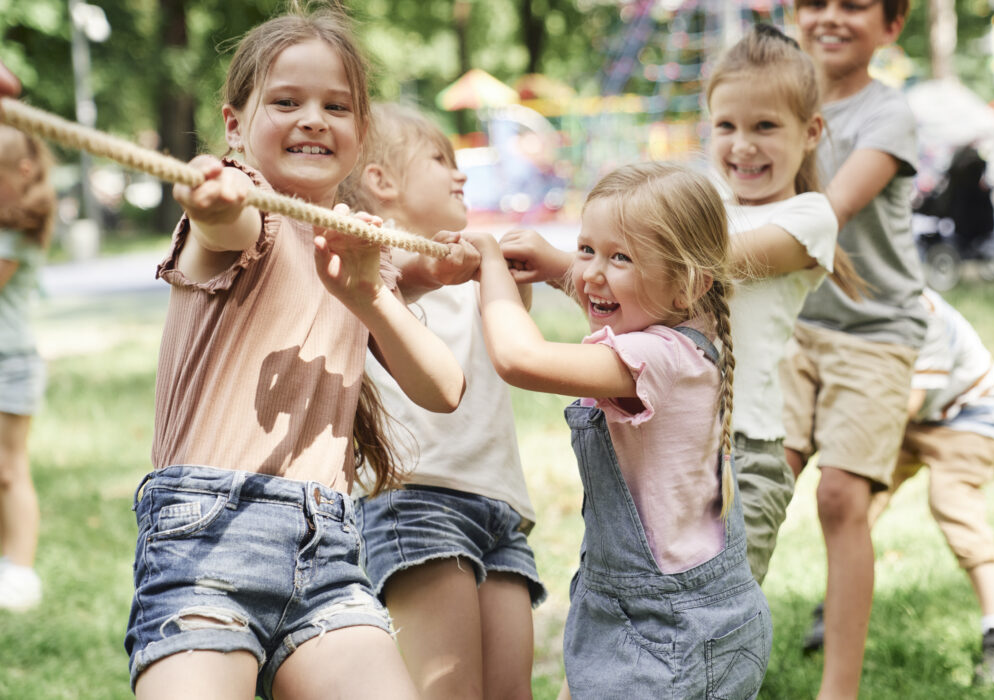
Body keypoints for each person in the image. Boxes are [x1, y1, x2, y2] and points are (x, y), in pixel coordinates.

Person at [123, 6, 466, 700]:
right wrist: (211, 190)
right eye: (286, 101)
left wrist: (371, 295)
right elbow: (225, 216)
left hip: (328, 553)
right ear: (234, 125)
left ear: (361, 134)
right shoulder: (244, 224)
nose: (313, 118)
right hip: (206, 543)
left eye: (335, 106)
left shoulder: (360, 254)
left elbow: (443, 388)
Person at [473, 162, 771, 698]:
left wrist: (490, 266)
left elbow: (520, 358)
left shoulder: (657, 357)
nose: (590, 273)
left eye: (619, 257)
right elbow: (623, 294)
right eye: (587, 248)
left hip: (670, 632)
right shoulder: (688, 325)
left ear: (687, 285)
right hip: (650, 613)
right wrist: (555, 265)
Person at [339, 103, 545, 700]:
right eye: (440, 160)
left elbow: (518, 331)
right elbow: (403, 270)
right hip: (417, 500)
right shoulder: (368, 269)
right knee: (448, 689)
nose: (461, 175)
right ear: (382, 181)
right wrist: (442, 262)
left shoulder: (475, 270)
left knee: (510, 691)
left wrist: (498, 265)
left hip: (500, 505)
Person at [781, 1, 928, 697]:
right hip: (787, 325)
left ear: (892, 25)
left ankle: (838, 690)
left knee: (841, 496)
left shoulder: (887, 114)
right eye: (815, 3)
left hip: (872, 332)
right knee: (754, 485)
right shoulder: (771, 99)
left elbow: (825, 213)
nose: (831, 17)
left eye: (854, 4)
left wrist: (710, 258)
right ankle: (705, 656)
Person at [802, 289, 994, 685]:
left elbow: (906, 401)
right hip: (908, 417)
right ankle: (838, 607)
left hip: (968, 413)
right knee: (854, 502)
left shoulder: (922, 315)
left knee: (953, 505)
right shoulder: (850, 307)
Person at [703, 23, 853, 584]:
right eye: (726, 126)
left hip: (744, 452)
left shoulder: (809, 217)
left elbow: (705, 263)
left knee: (718, 621)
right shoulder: (704, 204)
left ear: (810, 131)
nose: (742, 145)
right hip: (667, 439)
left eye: (765, 126)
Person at [0, 125, 55, 612]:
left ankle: (18, 570)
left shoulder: (16, 228)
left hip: (8, 365)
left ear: (19, 173)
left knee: (8, 469)